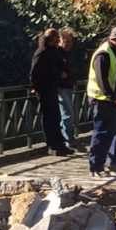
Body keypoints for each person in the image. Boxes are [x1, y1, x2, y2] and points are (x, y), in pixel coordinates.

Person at [87, 26, 116, 177]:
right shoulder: (103, 54)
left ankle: (115, 162)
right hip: (103, 101)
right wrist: (113, 97)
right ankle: (96, 167)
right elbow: (102, 80)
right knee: (103, 133)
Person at [30, 28, 74, 156]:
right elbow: (36, 72)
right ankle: (52, 145)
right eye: (56, 38)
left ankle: (60, 144)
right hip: (45, 89)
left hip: (52, 87)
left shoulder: (53, 51)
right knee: (49, 118)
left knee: (56, 117)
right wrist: (36, 86)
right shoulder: (42, 52)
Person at [57, 29, 77, 149]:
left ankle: (67, 139)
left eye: (71, 41)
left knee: (68, 114)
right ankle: (69, 141)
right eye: (66, 41)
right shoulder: (57, 53)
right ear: (59, 41)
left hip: (68, 86)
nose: (69, 43)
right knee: (67, 114)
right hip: (61, 87)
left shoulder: (65, 54)